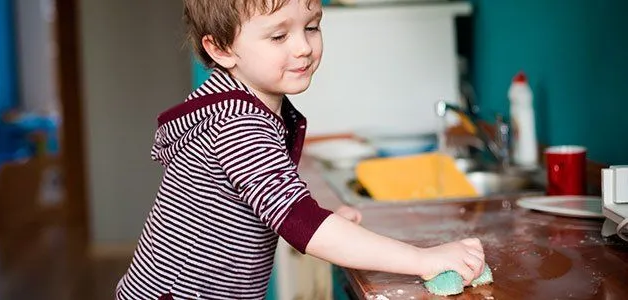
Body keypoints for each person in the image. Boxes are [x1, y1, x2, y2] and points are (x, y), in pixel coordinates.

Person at [115, 0, 486, 299]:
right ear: (222, 48)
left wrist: (319, 217)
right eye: (278, 36)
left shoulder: (241, 107)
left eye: (311, 26)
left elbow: (269, 200)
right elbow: (298, 223)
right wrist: (424, 259)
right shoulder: (237, 123)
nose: (304, 47)